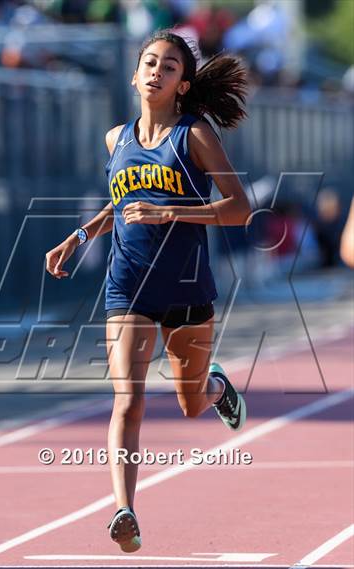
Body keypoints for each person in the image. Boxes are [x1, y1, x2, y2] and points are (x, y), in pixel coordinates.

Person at [45, 29, 251, 553]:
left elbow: (239, 209)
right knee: (127, 399)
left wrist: (171, 211)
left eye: (170, 67)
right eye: (150, 63)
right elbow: (124, 203)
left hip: (186, 287)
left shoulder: (195, 136)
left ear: (183, 85)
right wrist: (81, 235)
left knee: (190, 402)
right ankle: (124, 510)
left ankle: (218, 390)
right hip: (128, 285)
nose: (157, 72)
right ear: (135, 75)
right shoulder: (117, 139)